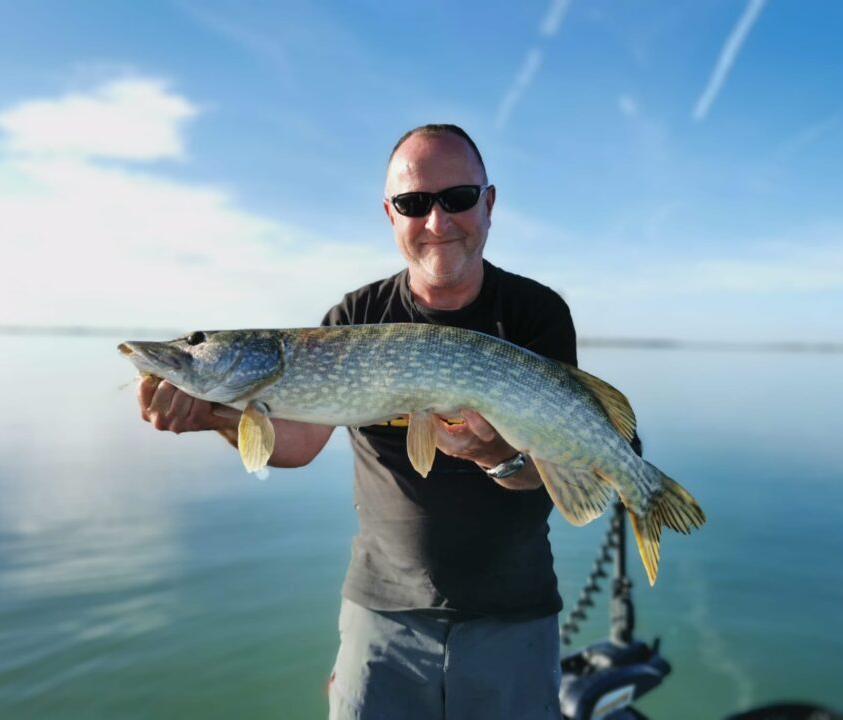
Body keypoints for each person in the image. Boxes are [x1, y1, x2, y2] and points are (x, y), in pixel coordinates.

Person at [138, 124, 578, 719]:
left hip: (513, 613)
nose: (437, 221)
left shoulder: (535, 313)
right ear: (390, 215)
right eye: (414, 204)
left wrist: (490, 453)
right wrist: (214, 415)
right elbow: (297, 443)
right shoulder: (354, 317)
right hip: (382, 614)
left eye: (457, 199)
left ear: (489, 202)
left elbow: (557, 466)